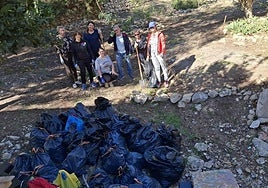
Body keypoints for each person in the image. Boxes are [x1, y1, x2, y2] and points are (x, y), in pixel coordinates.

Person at [146, 21, 169, 88]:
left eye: (153, 27)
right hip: (153, 54)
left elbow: (163, 44)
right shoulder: (150, 36)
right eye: (150, 28)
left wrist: (162, 52)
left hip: (159, 53)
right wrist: (148, 55)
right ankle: (159, 81)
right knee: (156, 67)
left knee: (163, 66)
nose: (152, 29)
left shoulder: (160, 34)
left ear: (155, 27)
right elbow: (148, 46)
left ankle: (166, 80)